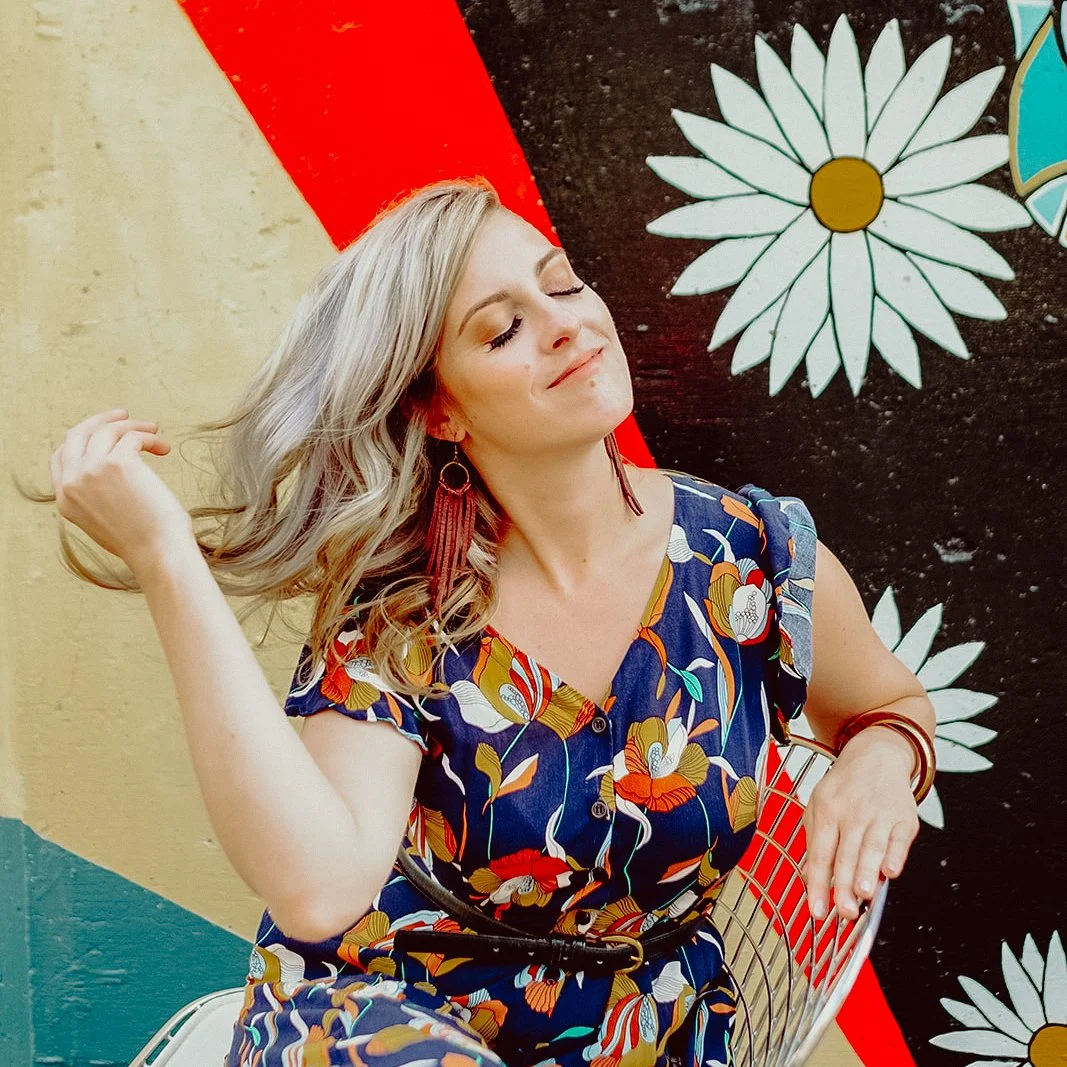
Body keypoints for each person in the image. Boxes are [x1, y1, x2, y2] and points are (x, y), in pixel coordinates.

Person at [31, 178, 936, 1067]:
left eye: (563, 282)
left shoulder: (754, 560)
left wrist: (883, 755)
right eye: (502, 329)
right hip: (389, 1022)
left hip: (641, 1034)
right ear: (442, 408)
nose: (566, 324)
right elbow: (318, 889)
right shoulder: (402, 605)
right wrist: (163, 555)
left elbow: (888, 703)